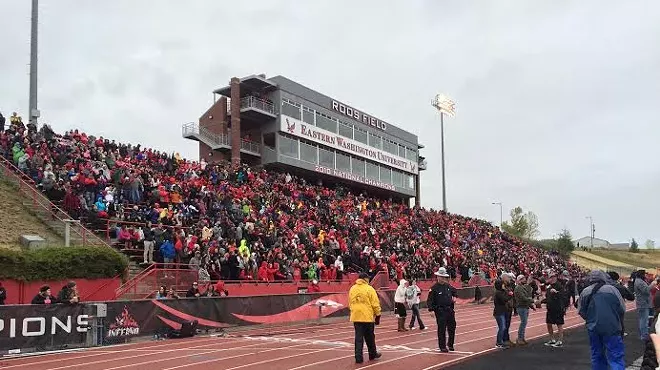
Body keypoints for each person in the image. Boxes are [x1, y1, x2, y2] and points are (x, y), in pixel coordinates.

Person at [578, 270, 625, 370]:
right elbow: (622, 308)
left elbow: (581, 311)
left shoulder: (585, 292)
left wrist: (590, 319)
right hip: (612, 327)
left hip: (593, 328)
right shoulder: (612, 290)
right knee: (616, 357)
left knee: (597, 356)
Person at [349, 272, 382, 364]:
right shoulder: (369, 289)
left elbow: (350, 302)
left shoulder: (352, 288)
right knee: (370, 337)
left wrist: (353, 311)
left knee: (358, 338)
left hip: (356, 316)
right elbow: (375, 303)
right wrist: (378, 315)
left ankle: (358, 357)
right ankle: (372, 354)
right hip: (367, 316)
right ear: (365, 279)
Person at [427, 267, 458, 352]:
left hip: (450, 310)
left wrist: (454, 297)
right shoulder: (434, 288)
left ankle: (450, 344)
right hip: (440, 311)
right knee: (442, 329)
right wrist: (431, 310)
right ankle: (442, 346)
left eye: (443, 277)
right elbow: (430, 300)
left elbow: (455, 291)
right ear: (437, 277)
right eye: (440, 276)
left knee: (452, 327)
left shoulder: (448, 286)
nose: (442, 278)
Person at [542, 271, 566, 347]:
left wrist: (556, 293)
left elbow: (563, 296)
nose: (550, 278)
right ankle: (552, 339)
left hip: (558, 308)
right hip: (550, 308)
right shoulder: (549, 287)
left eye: (552, 277)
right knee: (549, 323)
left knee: (559, 324)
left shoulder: (560, 286)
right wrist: (541, 301)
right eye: (550, 277)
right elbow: (548, 298)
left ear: (555, 277)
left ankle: (560, 341)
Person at [607, 271, 634, 337]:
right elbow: (631, 297)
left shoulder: (601, 287)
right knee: (619, 322)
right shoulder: (620, 287)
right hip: (618, 308)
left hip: (605, 308)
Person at [514, 275, 535, 345]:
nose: (525, 280)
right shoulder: (518, 288)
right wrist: (533, 301)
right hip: (521, 307)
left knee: (524, 323)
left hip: (525, 307)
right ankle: (520, 338)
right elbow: (524, 298)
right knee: (523, 323)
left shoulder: (522, 287)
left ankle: (522, 338)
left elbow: (527, 296)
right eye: (524, 279)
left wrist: (531, 306)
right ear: (520, 280)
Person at [493, 279, 513, 348]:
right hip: (499, 312)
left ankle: (501, 342)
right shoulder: (498, 293)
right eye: (502, 284)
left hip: (502, 311)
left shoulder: (501, 291)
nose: (503, 285)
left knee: (502, 327)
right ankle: (499, 343)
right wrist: (510, 295)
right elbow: (505, 299)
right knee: (502, 327)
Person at [635, 269, 652, 341]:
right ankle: (644, 335)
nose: (646, 275)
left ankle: (644, 334)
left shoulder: (639, 281)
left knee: (644, 320)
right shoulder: (639, 282)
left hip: (643, 303)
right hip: (642, 304)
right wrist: (652, 284)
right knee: (643, 320)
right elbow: (646, 290)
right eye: (645, 274)